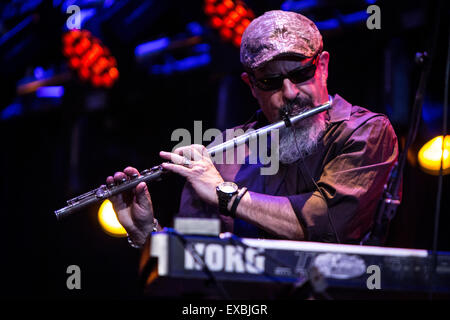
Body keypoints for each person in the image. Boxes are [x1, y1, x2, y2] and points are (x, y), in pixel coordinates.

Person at [106, 10, 398, 248]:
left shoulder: (365, 133)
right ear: (251, 85)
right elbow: (194, 259)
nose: (291, 92)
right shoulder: (225, 155)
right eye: (270, 82)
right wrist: (148, 235)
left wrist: (225, 194)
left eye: (301, 73)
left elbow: (324, 225)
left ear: (322, 66)